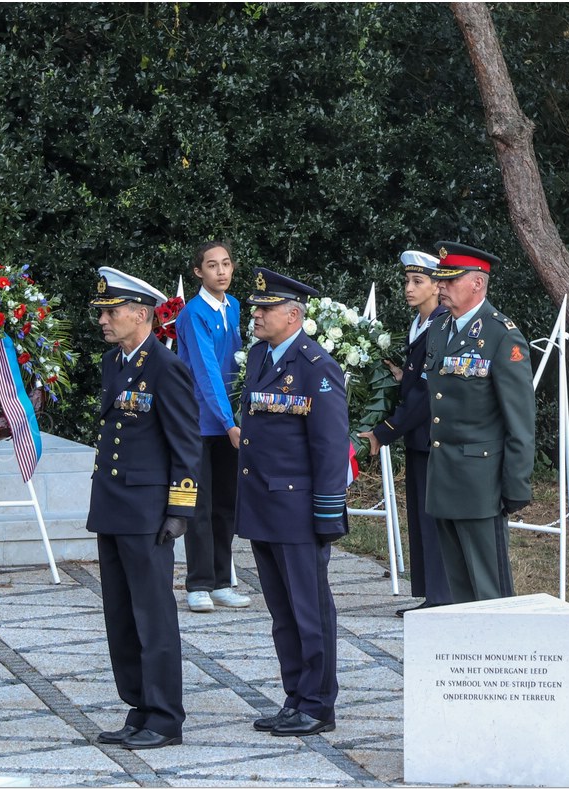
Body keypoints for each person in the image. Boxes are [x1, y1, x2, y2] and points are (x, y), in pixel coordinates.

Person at [87, 266, 200, 751]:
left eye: (112, 312)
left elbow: (186, 444)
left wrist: (180, 509)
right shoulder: (115, 362)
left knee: (153, 615)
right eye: (103, 313)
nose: (104, 321)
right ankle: (138, 705)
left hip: (148, 509)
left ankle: (165, 715)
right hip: (114, 504)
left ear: (141, 314)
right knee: (121, 614)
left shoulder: (165, 366)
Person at [237, 268, 349, 737]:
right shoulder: (262, 355)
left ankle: (319, 703)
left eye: (265, 309)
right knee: (282, 613)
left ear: (293, 314)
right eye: (256, 308)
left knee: (309, 610)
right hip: (264, 505)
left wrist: (326, 512)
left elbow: (329, 446)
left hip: (298, 508)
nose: (256, 315)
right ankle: (295, 696)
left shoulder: (316, 366)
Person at [422, 242, 536, 603]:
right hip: (445, 475)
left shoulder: (502, 335)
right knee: (458, 589)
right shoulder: (439, 330)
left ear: (477, 284)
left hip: (481, 481)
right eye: (439, 279)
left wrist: (515, 484)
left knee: (490, 591)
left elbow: (520, 420)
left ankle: (498, 658)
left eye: (450, 280)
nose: (440, 286)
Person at [360, 250, 452, 617]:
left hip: (432, 437)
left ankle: (441, 596)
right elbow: (416, 380)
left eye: (418, 282)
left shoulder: (442, 325)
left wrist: (384, 431)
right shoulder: (420, 323)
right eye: (406, 281)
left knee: (433, 517)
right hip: (419, 439)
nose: (408, 289)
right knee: (420, 514)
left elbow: (428, 394)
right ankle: (431, 593)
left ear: (437, 285)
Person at [176, 240, 249, 613]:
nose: (220, 271)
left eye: (225, 264)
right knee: (199, 505)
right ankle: (198, 583)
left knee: (226, 504)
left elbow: (239, 366)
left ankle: (222, 580)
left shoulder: (234, 307)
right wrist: (227, 421)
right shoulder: (193, 314)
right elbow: (205, 372)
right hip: (201, 423)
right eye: (211, 265)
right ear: (198, 273)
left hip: (229, 424)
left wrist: (240, 417)